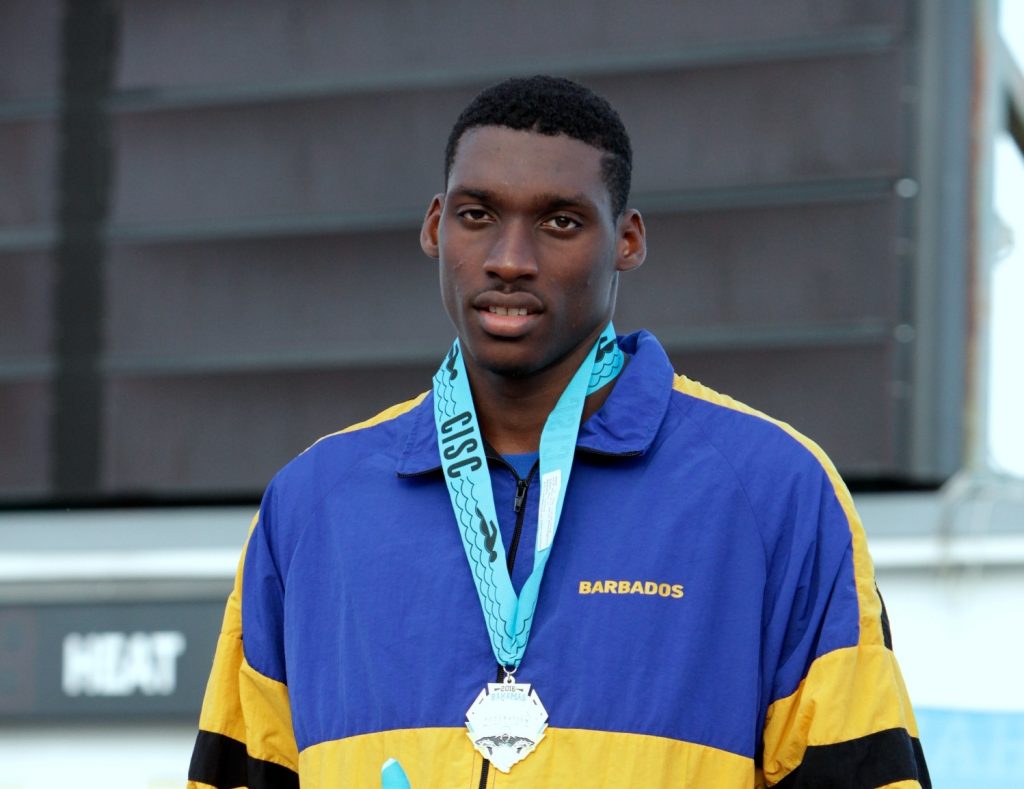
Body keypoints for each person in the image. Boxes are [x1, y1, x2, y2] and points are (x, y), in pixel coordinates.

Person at [187, 75, 929, 788]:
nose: (510, 260)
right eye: (478, 215)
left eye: (560, 222)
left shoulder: (773, 491)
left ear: (627, 241)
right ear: (436, 226)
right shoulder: (312, 504)